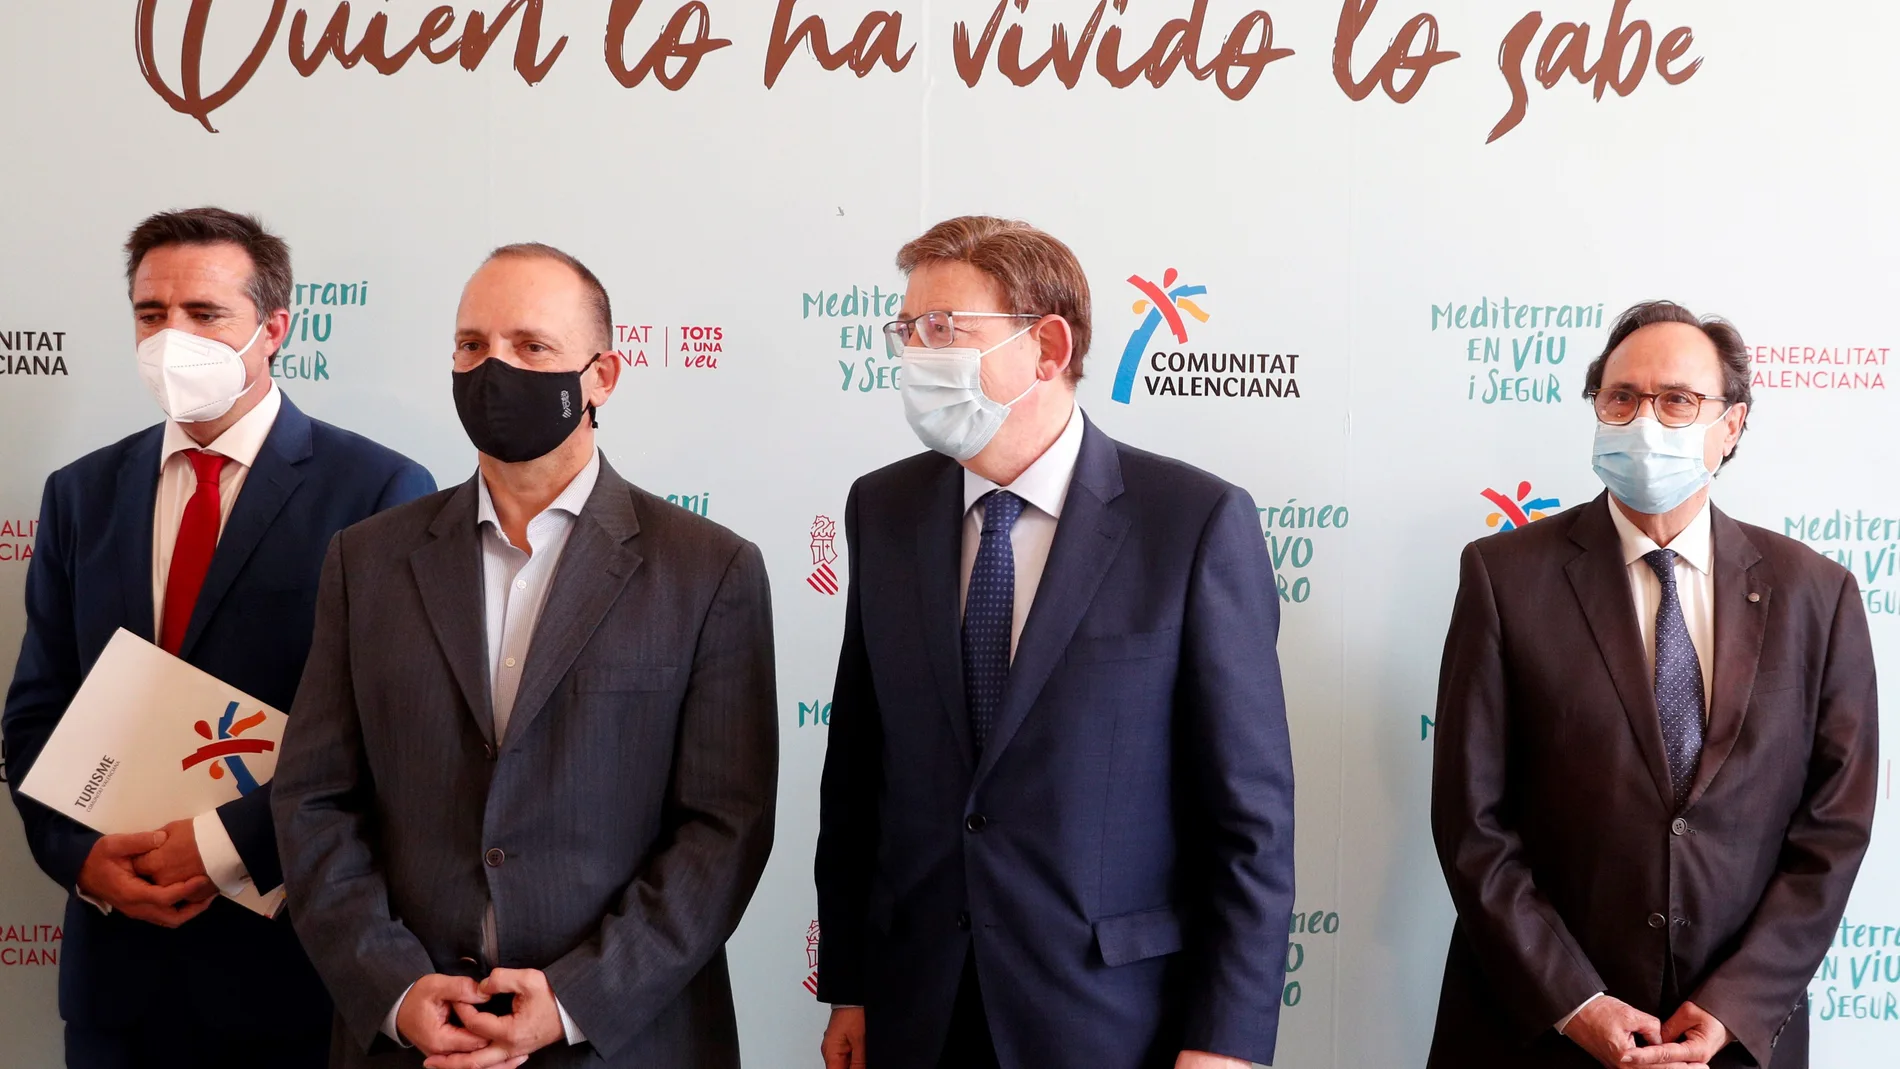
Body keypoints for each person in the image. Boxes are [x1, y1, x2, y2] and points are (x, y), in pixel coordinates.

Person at [272, 242, 778, 1069]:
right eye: (471, 346)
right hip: (410, 1045)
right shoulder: (365, 561)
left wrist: (575, 999)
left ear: (603, 376)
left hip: (626, 1041)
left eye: (530, 347)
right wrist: (394, 986)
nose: (493, 369)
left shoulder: (708, 569)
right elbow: (314, 799)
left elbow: (724, 829)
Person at [814, 216, 1296, 1069]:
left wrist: (1227, 1042)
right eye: (907, 330)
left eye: (944, 331)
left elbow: (1248, 821)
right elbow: (857, 771)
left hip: (1110, 1017)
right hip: (917, 1007)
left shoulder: (1192, 523)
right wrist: (849, 980)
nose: (915, 355)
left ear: (1047, 346)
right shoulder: (881, 510)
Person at [2, 207, 436, 1068]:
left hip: (293, 971)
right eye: (150, 314)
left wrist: (224, 847)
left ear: (273, 328)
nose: (173, 337)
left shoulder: (379, 489)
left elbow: (387, 735)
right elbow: (37, 712)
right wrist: (82, 860)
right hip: (116, 982)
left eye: (205, 315)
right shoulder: (81, 494)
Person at [1429, 301, 1879, 1069]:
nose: (1645, 420)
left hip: (1735, 1041)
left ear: (1731, 425)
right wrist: (1577, 1002)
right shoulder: (1504, 577)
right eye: (1621, 397)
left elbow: (1834, 827)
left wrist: (1734, 1005)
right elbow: (1473, 822)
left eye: (1677, 400)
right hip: (1535, 1031)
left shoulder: (1819, 594)